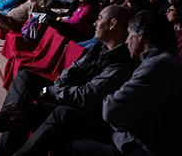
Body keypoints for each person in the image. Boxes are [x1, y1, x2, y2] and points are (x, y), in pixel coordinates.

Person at [15, 10, 182, 156]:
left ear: (142, 37)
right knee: (22, 113)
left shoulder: (155, 65)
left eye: (130, 35)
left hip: (139, 147)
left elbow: (110, 109)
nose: (127, 41)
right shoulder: (159, 61)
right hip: (131, 135)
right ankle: (12, 114)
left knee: (63, 136)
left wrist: (54, 91)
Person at [0, 5, 136, 156]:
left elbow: (86, 95)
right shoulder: (99, 47)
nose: (95, 23)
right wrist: (57, 85)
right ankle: (11, 110)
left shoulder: (122, 63)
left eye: (100, 18)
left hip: (86, 110)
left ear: (113, 24)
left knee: (42, 113)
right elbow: (74, 68)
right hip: (67, 92)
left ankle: (14, 115)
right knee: (24, 80)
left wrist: (52, 91)